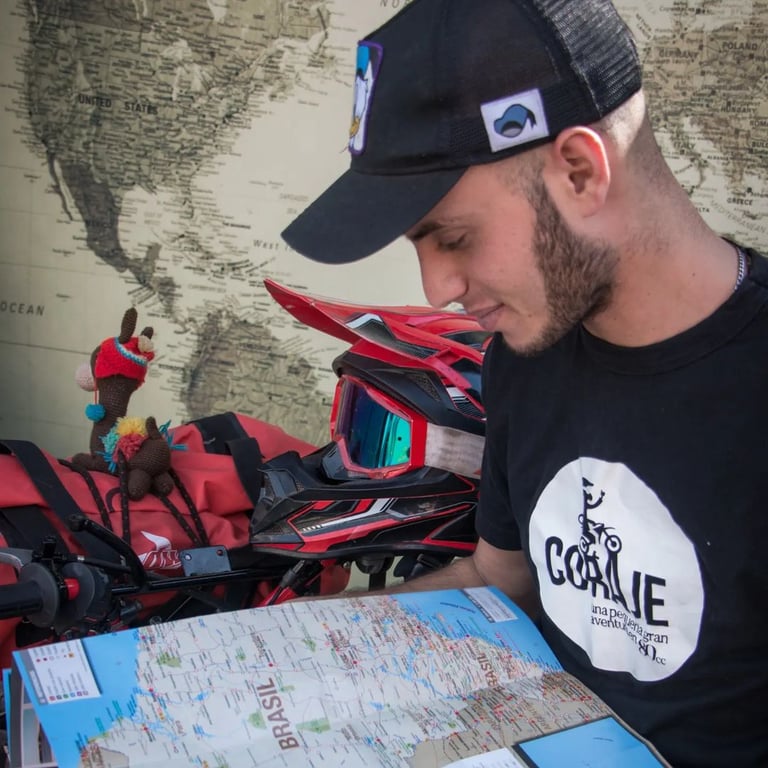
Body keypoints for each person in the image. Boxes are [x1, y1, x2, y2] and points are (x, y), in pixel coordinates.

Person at [280, 1, 768, 765]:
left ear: (579, 170)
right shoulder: (524, 353)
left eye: (454, 237)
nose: (438, 287)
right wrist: (281, 641)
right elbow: (494, 577)